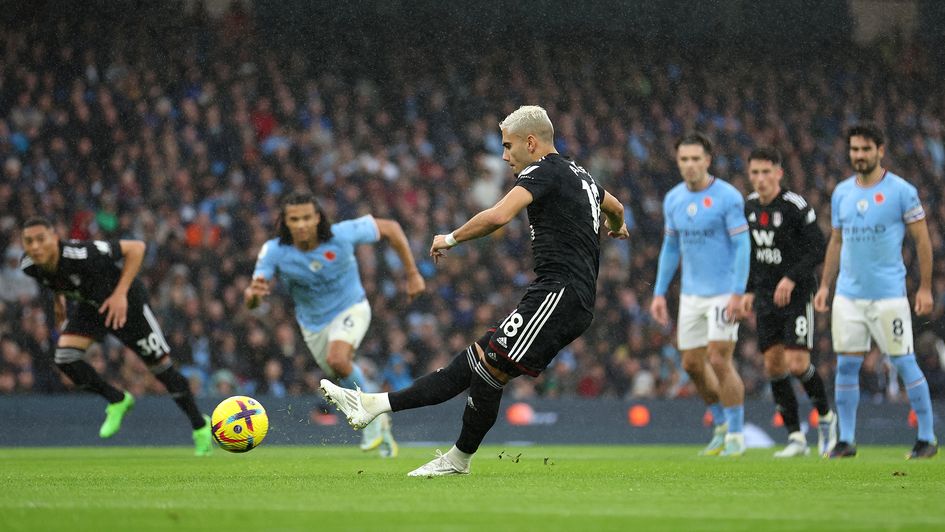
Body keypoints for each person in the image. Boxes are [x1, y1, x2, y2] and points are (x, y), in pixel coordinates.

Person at [321, 105, 629, 476]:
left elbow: (499, 216)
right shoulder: (579, 173)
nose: (504, 156)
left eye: (508, 146)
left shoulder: (542, 169)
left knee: (490, 369)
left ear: (531, 143)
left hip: (560, 294)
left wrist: (449, 238)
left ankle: (457, 459)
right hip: (559, 294)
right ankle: (373, 405)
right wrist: (618, 226)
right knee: (477, 359)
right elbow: (616, 206)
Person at [245, 191, 425, 458]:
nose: (302, 224)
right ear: (286, 222)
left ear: (318, 218)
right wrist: (253, 296)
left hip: (352, 307)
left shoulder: (342, 234)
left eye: (307, 217)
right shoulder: (274, 251)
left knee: (338, 359)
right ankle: (381, 421)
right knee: (341, 373)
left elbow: (391, 228)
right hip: (313, 326)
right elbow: (253, 299)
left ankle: (371, 419)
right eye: (295, 219)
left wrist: (412, 274)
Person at [19, 217, 213, 455]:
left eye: (41, 239)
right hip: (92, 308)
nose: (35, 246)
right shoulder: (29, 265)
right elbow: (55, 277)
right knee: (65, 358)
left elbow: (136, 248)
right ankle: (117, 399)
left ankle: (200, 426)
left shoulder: (81, 253)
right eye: (29, 241)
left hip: (127, 306)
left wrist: (120, 294)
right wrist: (59, 299)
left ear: (55, 238)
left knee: (162, 370)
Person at [814, 121, 938, 459]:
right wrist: (825, 284)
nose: (859, 155)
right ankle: (847, 440)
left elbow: (922, 240)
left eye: (866, 149)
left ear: (880, 151)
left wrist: (925, 288)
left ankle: (927, 438)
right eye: (854, 149)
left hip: (888, 296)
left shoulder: (901, 191)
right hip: (848, 297)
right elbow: (836, 241)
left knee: (903, 361)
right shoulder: (841, 192)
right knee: (846, 366)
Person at [649, 132, 750, 457]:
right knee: (692, 363)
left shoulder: (728, 197)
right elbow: (670, 248)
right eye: (684, 159)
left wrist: (738, 292)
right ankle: (720, 426)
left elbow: (743, 245)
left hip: (723, 294)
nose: (690, 165)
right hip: (691, 295)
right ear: (678, 162)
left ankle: (736, 434)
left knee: (719, 357)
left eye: (696, 159)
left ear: (707, 160)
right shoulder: (674, 199)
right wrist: (660, 293)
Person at [740, 147, 837, 458]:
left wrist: (791, 278)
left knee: (798, 363)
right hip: (766, 298)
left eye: (766, 172)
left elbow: (817, 248)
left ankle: (826, 418)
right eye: (754, 172)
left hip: (796, 296)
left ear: (778, 173)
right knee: (773, 366)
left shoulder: (795, 206)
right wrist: (748, 290)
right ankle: (795, 437)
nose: (760, 178)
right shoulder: (749, 208)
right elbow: (752, 256)